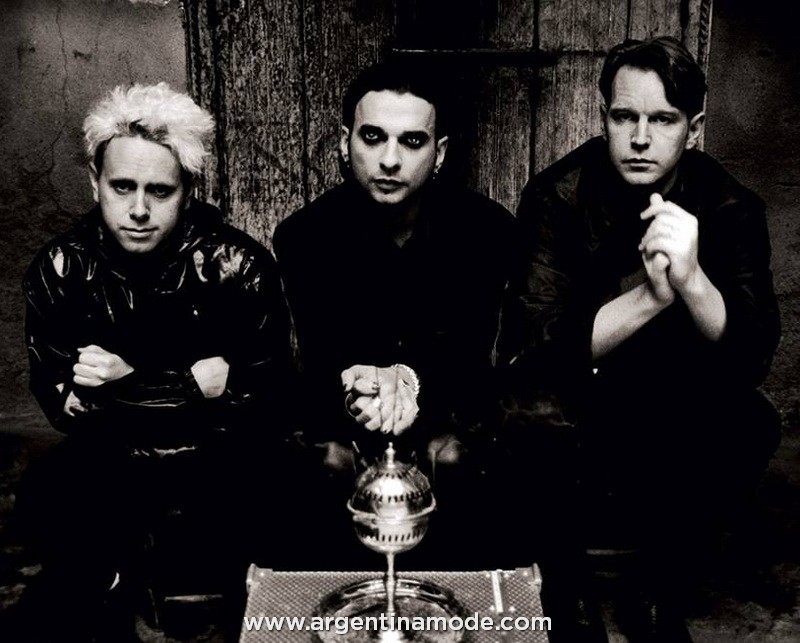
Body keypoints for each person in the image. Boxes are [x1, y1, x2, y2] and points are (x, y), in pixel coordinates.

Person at [502, 36, 781, 642]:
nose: (639, 138)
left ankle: (660, 588)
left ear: (694, 129)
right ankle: (567, 592)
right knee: (524, 412)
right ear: (603, 117)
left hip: (673, 391)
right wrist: (650, 298)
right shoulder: (557, 197)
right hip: (578, 391)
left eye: (663, 120)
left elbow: (751, 356)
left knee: (750, 422)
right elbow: (534, 347)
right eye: (624, 116)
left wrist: (693, 281)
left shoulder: (730, 207)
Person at [13, 83, 292, 640]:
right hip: (111, 460)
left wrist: (121, 384)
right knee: (51, 495)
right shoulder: (62, 268)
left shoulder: (239, 266)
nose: (138, 210)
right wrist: (190, 387)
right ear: (95, 182)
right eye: (122, 186)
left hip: (222, 460)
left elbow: (266, 401)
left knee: (285, 495)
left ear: (188, 191)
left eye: (159, 191)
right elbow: (67, 409)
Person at [271, 60, 518, 574]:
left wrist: (408, 382)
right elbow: (325, 356)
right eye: (373, 137)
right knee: (317, 459)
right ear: (344, 143)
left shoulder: (487, 232)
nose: (389, 159)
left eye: (411, 142)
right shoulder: (304, 237)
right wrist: (363, 392)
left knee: (463, 456)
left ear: (439, 153)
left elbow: (468, 357)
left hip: (447, 416)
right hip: (349, 415)